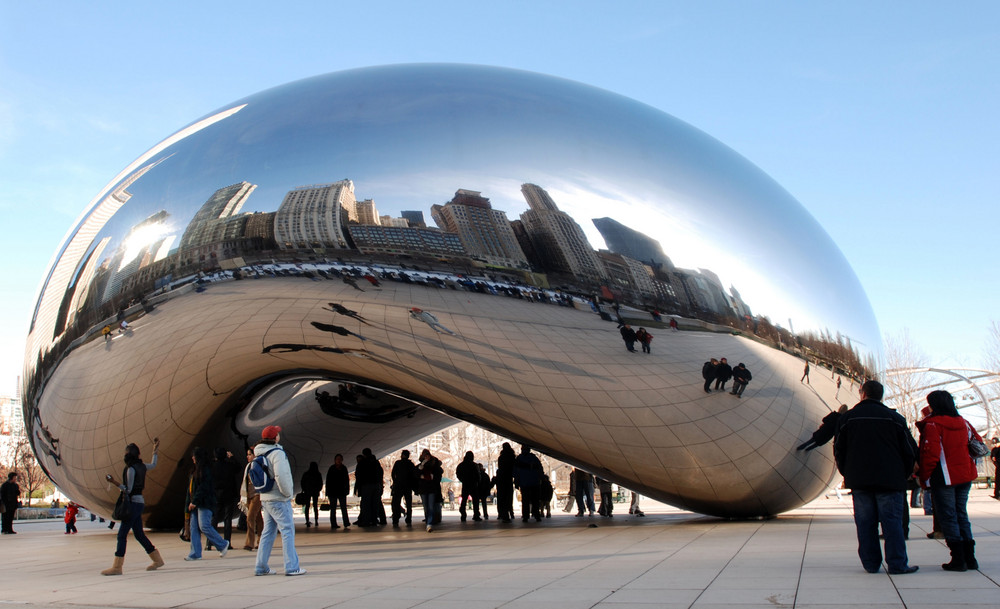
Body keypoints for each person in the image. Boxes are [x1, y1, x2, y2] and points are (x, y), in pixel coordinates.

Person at [833, 380, 919, 574]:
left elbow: (839, 449)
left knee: (865, 524)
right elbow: (909, 450)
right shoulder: (894, 418)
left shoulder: (848, 418)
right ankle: (897, 564)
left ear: (862, 393)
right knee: (892, 524)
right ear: (881, 395)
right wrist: (903, 475)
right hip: (890, 480)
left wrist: (847, 472)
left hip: (860, 480)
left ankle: (871, 564)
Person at [916, 390, 982, 571]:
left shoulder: (932, 424)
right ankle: (970, 558)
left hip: (944, 478)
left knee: (949, 517)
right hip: (965, 475)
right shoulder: (964, 423)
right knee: (962, 514)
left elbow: (931, 454)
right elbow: (978, 442)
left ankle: (958, 559)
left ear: (933, 405)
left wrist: (924, 477)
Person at [101, 439, 164, 575]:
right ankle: (157, 559)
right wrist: (155, 450)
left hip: (133, 504)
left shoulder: (131, 469)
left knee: (122, 535)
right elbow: (153, 464)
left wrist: (114, 482)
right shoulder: (142, 466)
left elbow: (127, 489)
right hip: (140, 502)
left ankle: (117, 566)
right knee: (139, 534)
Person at [254, 425, 305, 576]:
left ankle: (261, 566)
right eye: (277, 434)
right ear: (275, 437)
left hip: (266, 498)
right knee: (287, 530)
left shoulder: (259, 453)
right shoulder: (277, 453)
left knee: (268, 532)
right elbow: (281, 475)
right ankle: (292, 567)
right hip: (279, 498)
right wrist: (288, 493)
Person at [185, 447, 231, 561]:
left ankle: (222, 544)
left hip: (204, 503)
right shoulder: (194, 471)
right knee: (194, 527)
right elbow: (190, 490)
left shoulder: (206, 470)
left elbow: (204, 487)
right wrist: (189, 504)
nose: (192, 458)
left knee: (204, 526)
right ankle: (195, 553)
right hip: (195, 503)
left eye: (194, 456)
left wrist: (195, 501)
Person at [209, 447, 240, 549]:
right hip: (229, 495)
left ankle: (210, 542)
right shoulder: (229, 466)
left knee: (214, 519)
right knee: (228, 519)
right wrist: (232, 458)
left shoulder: (213, 466)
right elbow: (238, 468)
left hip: (216, 495)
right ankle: (227, 542)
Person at [239, 448, 264, 550]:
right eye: (247, 454)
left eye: (250, 454)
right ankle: (261, 540)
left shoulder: (257, 466)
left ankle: (250, 543)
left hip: (257, 495)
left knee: (250, 517)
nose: (247, 456)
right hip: (249, 495)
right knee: (257, 518)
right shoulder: (248, 466)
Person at [513, 445, 543, 522]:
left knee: (525, 500)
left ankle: (526, 516)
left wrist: (517, 481)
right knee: (535, 500)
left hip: (524, 483)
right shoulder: (533, 458)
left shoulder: (519, 459)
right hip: (534, 482)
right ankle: (536, 515)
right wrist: (541, 478)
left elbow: (516, 471)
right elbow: (540, 469)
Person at [416, 448, 443, 532]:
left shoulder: (434, 465)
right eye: (425, 456)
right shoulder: (420, 465)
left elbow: (438, 474)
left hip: (431, 488)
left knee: (430, 507)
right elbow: (416, 474)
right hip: (423, 488)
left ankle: (429, 523)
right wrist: (423, 465)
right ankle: (428, 521)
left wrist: (432, 477)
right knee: (426, 506)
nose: (426, 457)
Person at [390, 450, 415, 527]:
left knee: (396, 502)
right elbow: (413, 475)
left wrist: (395, 481)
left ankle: (396, 518)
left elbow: (393, 473)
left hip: (398, 486)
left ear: (402, 455)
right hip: (408, 486)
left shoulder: (398, 463)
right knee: (408, 503)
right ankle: (408, 518)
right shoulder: (410, 464)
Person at [325, 454, 350, 530]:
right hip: (333, 492)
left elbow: (346, 480)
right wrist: (327, 492)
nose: (338, 460)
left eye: (340, 459)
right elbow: (328, 481)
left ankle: (346, 522)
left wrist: (347, 490)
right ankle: (333, 523)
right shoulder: (332, 468)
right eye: (337, 459)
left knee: (343, 508)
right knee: (333, 508)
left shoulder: (344, 468)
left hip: (341, 491)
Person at [456, 451, 481, 522]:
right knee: (475, 501)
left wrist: (463, 480)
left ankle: (463, 515)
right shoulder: (474, 465)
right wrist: (477, 482)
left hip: (465, 484)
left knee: (464, 500)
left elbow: (458, 474)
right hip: (473, 485)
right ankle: (476, 515)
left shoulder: (461, 465)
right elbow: (478, 475)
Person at [495, 443, 516, 523]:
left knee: (502, 498)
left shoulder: (501, 457)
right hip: (508, 479)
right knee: (508, 497)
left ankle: (504, 514)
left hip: (502, 479)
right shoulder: (512, 457)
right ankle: (510, 512)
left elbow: (501, 468)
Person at [299, 462, 323, 528]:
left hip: (307, 492)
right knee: (315, 506)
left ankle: (307, 520)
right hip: (315, 492)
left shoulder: (306, 474)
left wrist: (304, 489)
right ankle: (316, 520)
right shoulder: (318, 474)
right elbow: (320, 483)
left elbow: (302, 482)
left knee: (307, 506)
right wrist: (318, 489)